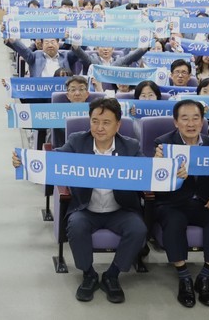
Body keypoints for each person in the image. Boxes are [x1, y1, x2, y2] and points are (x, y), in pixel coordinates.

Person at [11, 98, 148, 304]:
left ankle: (112, 274)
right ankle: (89, 274)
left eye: (106, 122)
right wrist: (26, 160)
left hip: (120, 209)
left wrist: (172, 170)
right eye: (94, 121)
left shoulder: (131, 146)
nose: (99, 128)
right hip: (86, 208)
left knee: (138, 229)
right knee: (75, 225)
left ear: (118, 125)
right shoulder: (77, 141)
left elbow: (148, 172)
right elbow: (54, 160)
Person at [153, 99, 209, 308]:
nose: (190, 123)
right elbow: (155, 180)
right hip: (172, 203)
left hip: (204, 202)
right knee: (174, 221)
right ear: (176, 122)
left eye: (196, 118)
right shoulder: (163, 144)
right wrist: (161, 165)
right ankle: (184, 277)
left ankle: (205, 276)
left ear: (203, 121)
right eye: (184, 118)